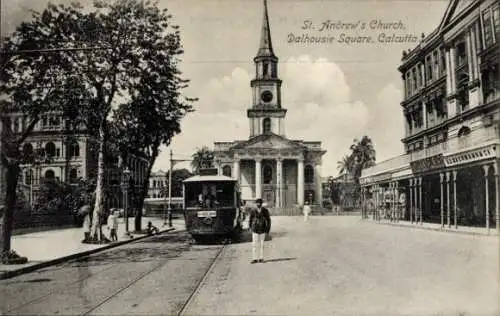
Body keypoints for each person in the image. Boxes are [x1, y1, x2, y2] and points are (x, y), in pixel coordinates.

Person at [248, 198, 271, 264]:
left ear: (261, 204)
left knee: (262, 244)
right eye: (257, 203)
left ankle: (261, 258)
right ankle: (254, 258)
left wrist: (268, 230)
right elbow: (250, 219)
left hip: (263, 229)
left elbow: (268, 220)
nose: (258, 204)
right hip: (255, 229)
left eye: (260, 203)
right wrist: (250, 228)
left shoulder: (265, 210)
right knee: (254, 244)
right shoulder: (253, 211)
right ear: (256, 204)